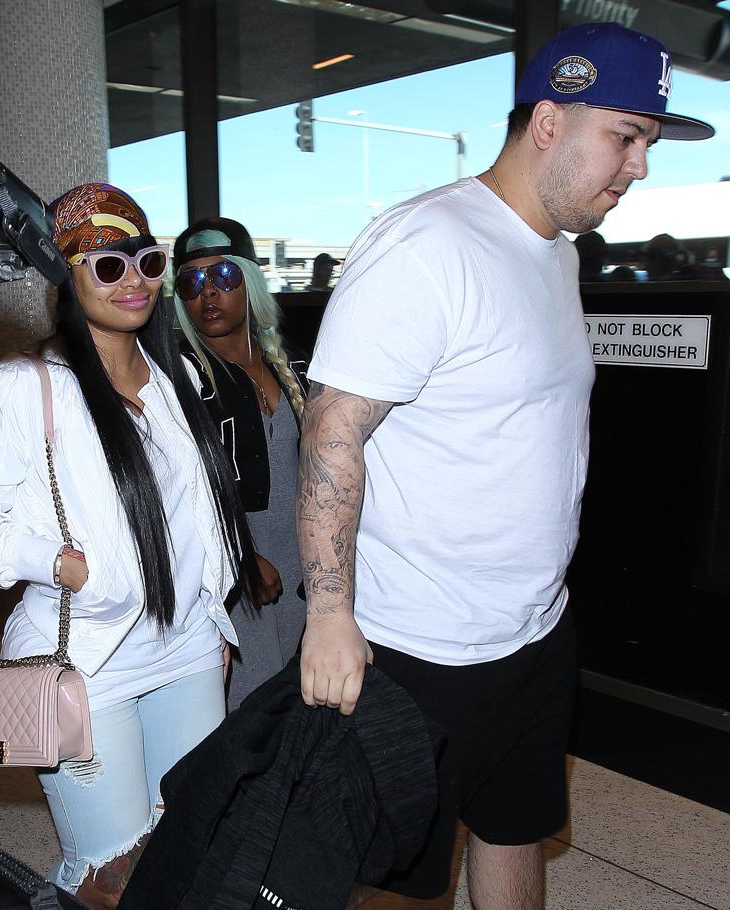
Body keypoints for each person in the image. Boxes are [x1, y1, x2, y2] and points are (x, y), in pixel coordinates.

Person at [296, 22, 713, 910]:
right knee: (392, 880)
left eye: (647, 142)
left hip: (531, 632)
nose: (639, 166)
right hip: (417, 648)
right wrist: (329, 616)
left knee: (516, 828)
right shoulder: (427, 244)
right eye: (627, 136)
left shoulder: (555, 253)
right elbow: (333, 430)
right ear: (550, 123)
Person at [0, 184, 259, 909]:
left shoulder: (174, 379)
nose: (134, 279)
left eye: (146, 260)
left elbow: (193, 515)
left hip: (188, 653)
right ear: (67, 278)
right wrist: (50, 560)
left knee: (190, 846)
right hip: (86, 664)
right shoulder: (24, 387)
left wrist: (213, 613)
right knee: (109, 874)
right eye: (107, 266)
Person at [173, 216, 308, 710]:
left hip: (305, 557)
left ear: (249, 281)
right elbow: (179, 488)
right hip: (237, 565)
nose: (208, 294)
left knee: (306, 698)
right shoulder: (178, 377)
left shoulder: (293, 362)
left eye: (223, 277)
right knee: (250, 708)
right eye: (192, 282)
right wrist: (240, 555)